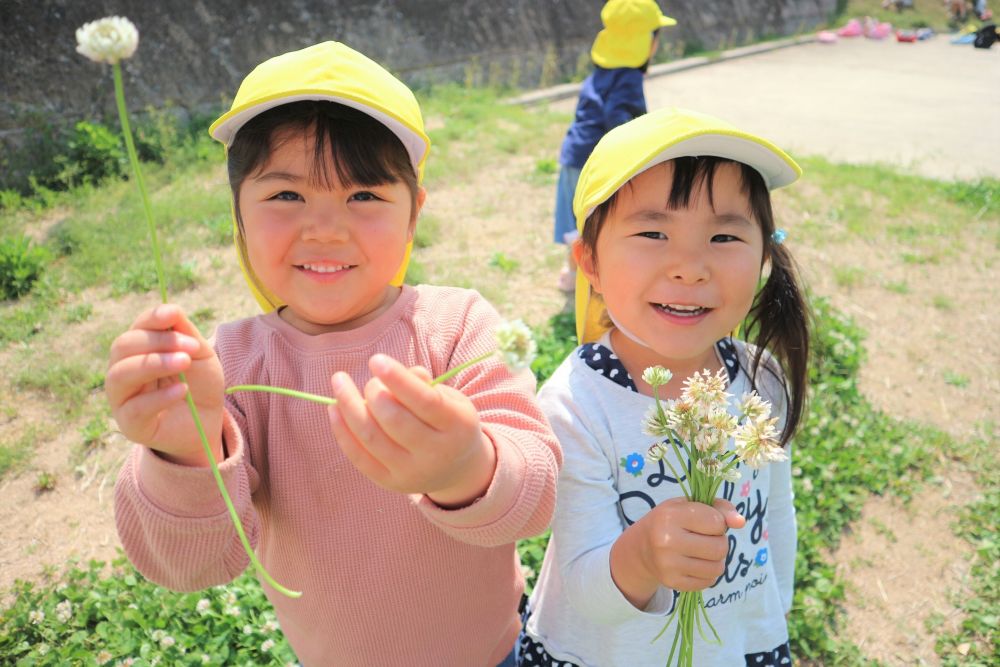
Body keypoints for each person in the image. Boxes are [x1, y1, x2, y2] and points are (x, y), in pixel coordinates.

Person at [107, 41, 562, 667]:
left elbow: (534, 500)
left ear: (413, 214)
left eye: (364, 196)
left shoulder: (457, 326)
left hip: (491, 653)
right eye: (286, 196)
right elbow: (189, 565)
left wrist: (465, 468)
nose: (325, 229)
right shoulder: (230, 370)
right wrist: (184, 451)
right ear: (237, 211)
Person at [519, 108, 810, 666]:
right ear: (591, 264)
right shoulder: (576, 405)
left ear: (764, 256)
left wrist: (772, 614)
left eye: (724, 235)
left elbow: (775, 509)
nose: (690, 267)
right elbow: (586, 586)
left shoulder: (761, 379)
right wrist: (643, 558)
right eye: (653, 233)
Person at [553, 0, 677, 292]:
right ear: (646, 41)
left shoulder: (600, 73)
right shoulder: (630, 78)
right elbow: (618, 118)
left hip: (574, 154)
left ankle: (571, 275)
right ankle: (592, 278)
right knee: (599, 220)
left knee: (577, 220)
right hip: (599, 163)